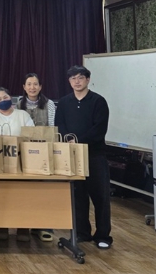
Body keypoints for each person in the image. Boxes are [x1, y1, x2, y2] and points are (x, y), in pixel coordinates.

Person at [55, 65, 112, 249]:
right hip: (72, 156)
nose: (77, 81)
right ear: (69, 81)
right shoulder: (64, 102)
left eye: (80, 78)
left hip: (95, 155)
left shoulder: (98, 101)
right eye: (73, 78)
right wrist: (68, 140)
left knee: (100, 197)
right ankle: (82, 232)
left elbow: (99, 128)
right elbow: (59, 124)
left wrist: (78, 140)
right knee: (78, 196)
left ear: (88, 79)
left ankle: (103, 235)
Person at [0, 87, 34, 242]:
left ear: (10, 98)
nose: (2, 100)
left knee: (22, 195)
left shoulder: (23, 115)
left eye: (5, 97)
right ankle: (1, 226)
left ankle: (23, 227)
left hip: (21, 161)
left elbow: (31, 136)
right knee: (1, 195)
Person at [17, 73, 57, 242]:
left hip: (44, 153)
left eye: (35, 84)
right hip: (24, 153)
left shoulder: (49, 104)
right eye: (29, 84)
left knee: (43, 190)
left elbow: (52, 127)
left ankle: (44, 226)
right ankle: (23, 225)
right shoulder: (18, 104)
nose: (32, 87)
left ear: (40, 87)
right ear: (24, 87)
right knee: (24, 191)